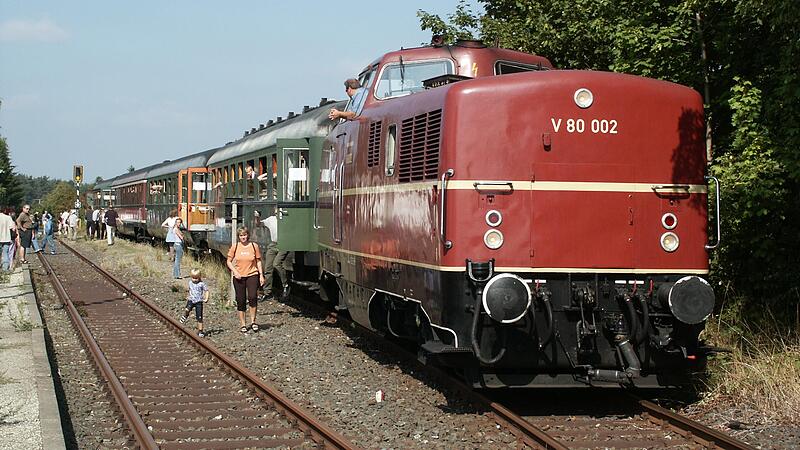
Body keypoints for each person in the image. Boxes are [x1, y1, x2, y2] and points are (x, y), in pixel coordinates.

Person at [226, 226, 265, 334]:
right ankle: (243, 324)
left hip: (252, 274)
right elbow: (229, 261)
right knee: (241, 300)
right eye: (241, 235)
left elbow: (258, 261)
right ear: (239, 237)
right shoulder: (235, 247)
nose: (243, 237)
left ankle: (253, 321)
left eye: (245, 235)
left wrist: (261, 275)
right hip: (239, 276)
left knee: (252, 297)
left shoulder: (253, 246)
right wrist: (235, 271)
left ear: (248, 235)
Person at [260, 210, 291, 300]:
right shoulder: (271, 219)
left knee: (276, 264)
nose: (278, 213)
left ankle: (286, 285)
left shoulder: (287, 220)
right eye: (277, 211)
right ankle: (267, 292)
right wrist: (257, 217)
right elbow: (259, 224)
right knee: (268, 268)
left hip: (284, 244)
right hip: (273, 244)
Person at [180, 268, 209, 337]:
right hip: (191, 300)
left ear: (199, 277)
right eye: (193, 278)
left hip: (199, 302)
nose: (194, 279)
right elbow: (189, 290)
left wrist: (206, 298)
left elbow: (206, 290)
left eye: (196, 278)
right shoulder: (190, 282)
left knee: (199, 317)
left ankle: (200, 331)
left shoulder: (201, 284)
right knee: (187, 309)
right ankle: (185, 315)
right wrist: (187, 295)